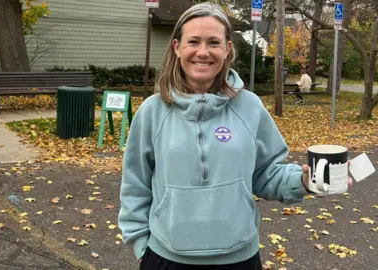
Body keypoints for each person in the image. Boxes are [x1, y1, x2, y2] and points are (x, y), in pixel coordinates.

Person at [117, 3, 351, 270]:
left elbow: (266, 174)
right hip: (166, 258)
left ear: (227, 49)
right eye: (193, 41)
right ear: (177, 47)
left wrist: (305, 181)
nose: (203, 52)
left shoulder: (249, 107)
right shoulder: (153, 111)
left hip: (240, 259)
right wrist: (140, 248)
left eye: (213, 42)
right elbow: (135, 185)